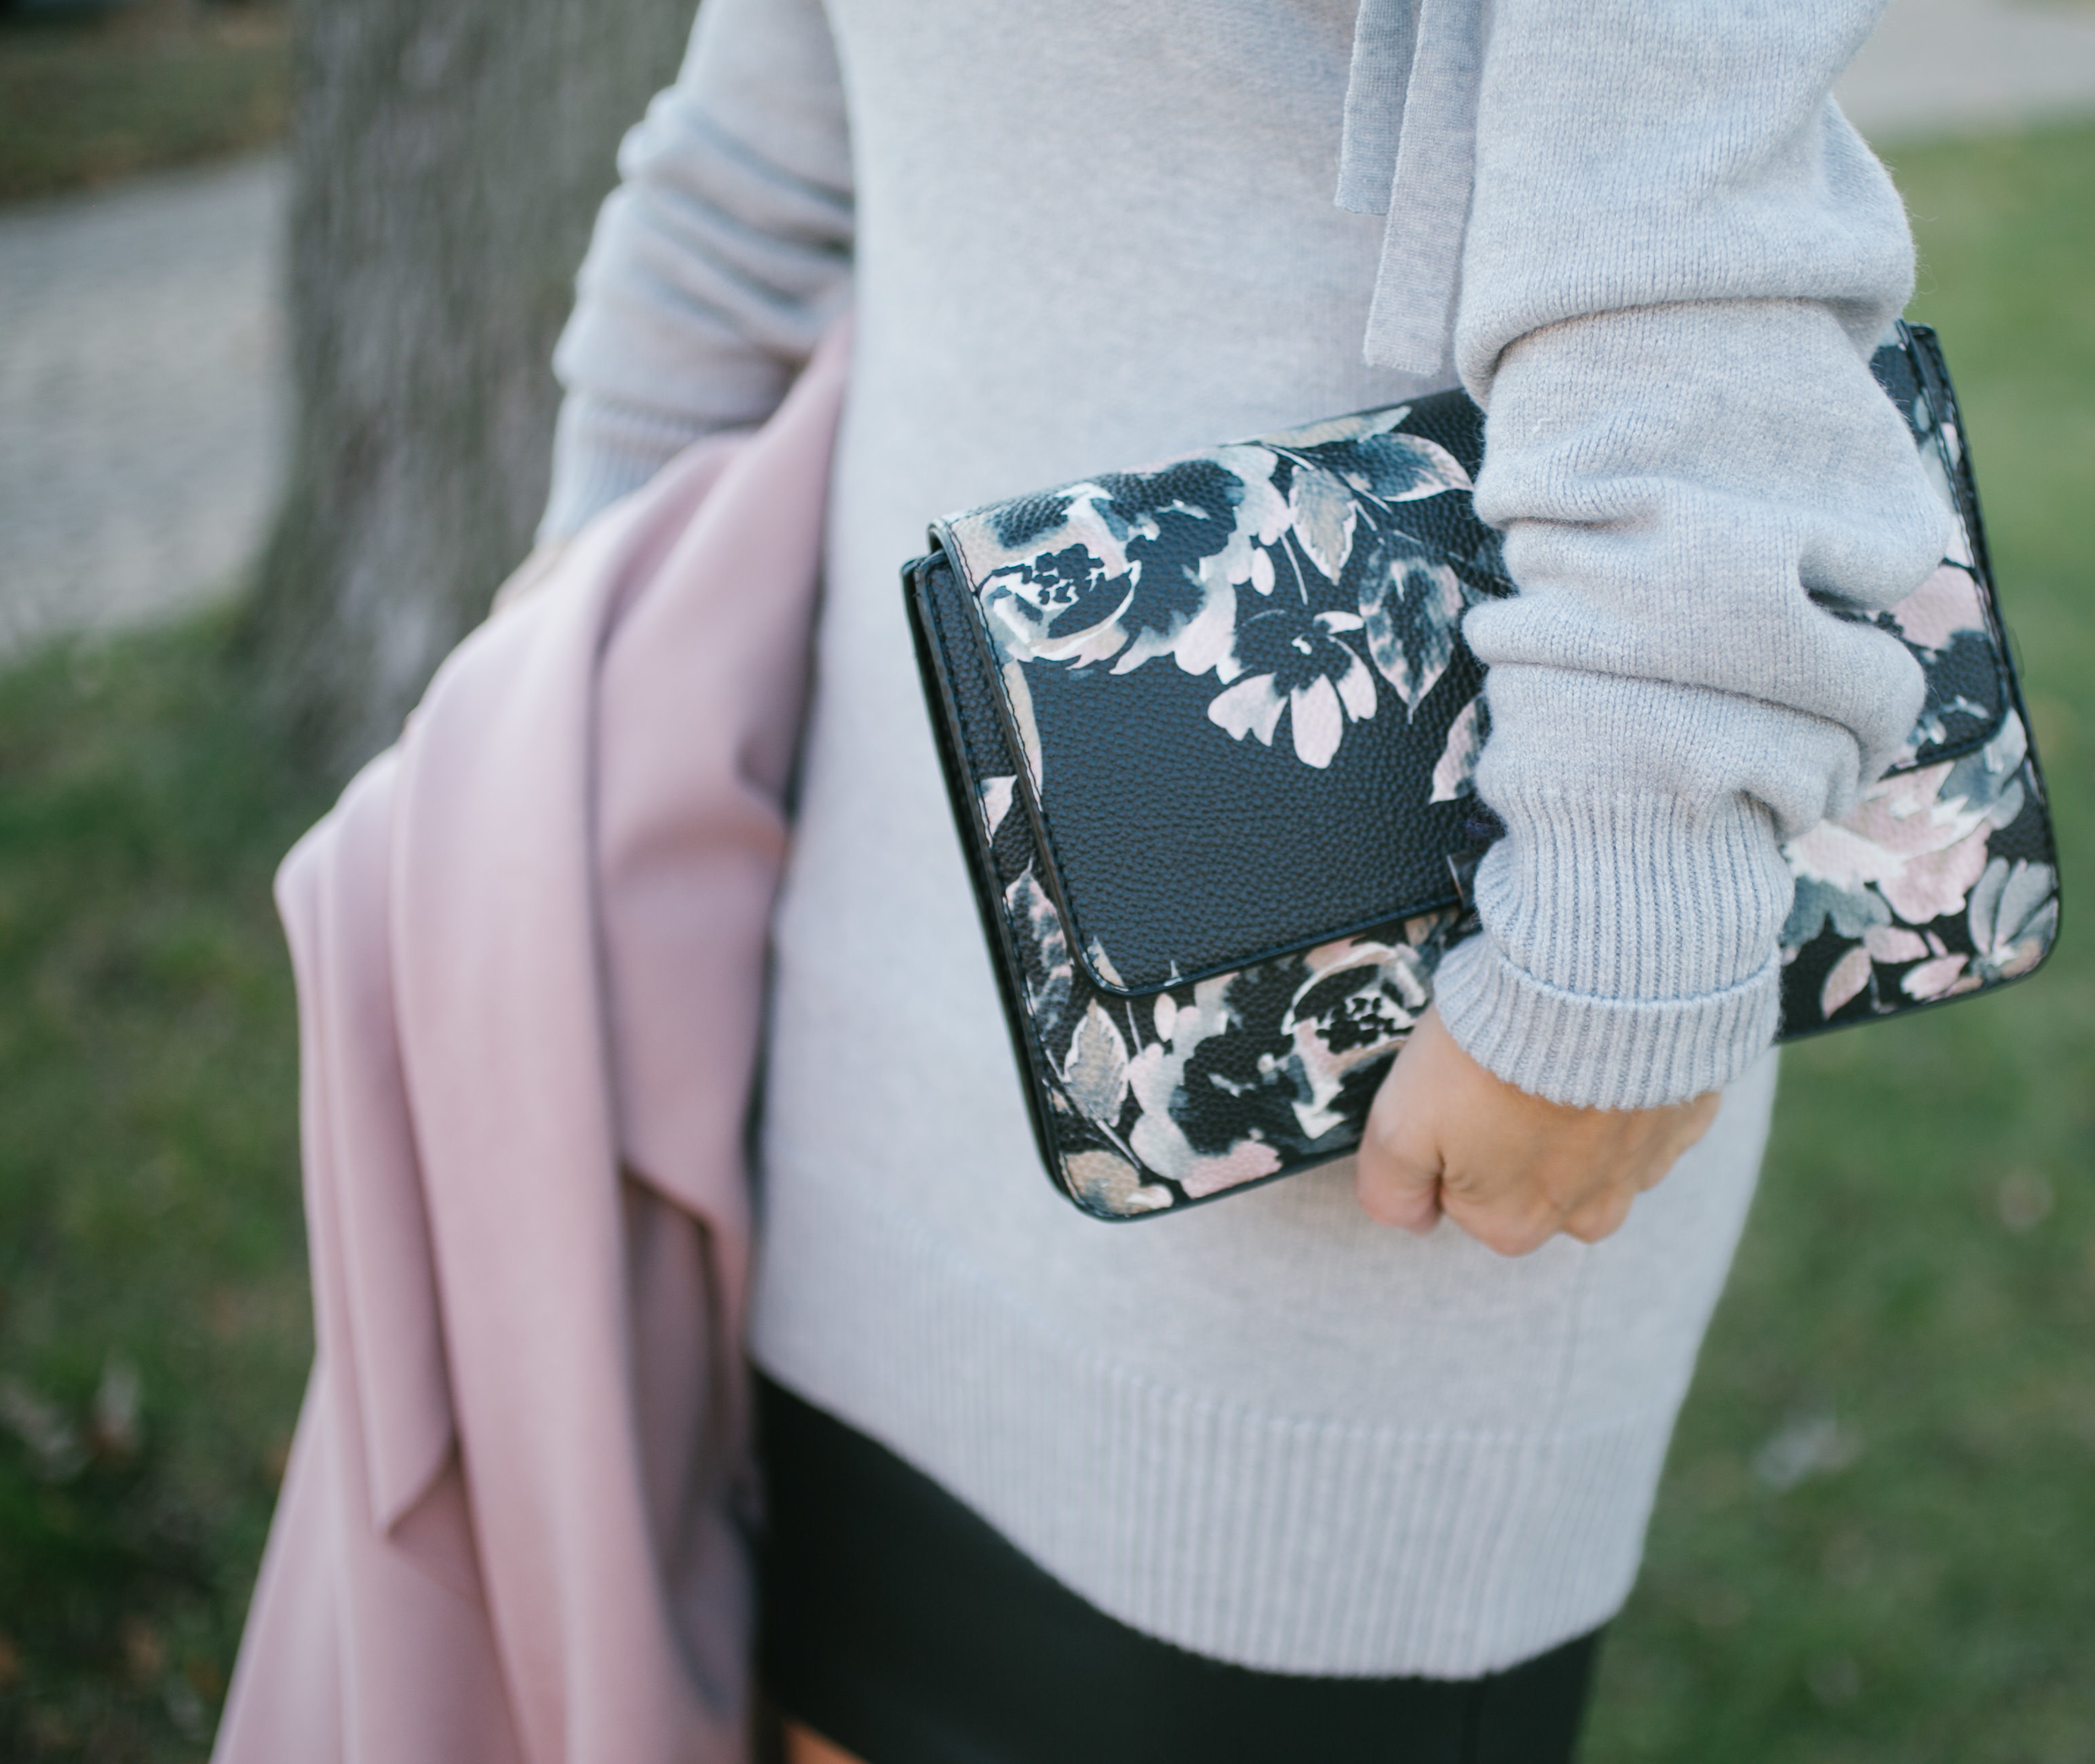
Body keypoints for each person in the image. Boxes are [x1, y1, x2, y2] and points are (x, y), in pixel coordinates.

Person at [539, 1, 1950, 1757]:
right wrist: (569, 661)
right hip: (888, 999)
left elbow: (1696, 253)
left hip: (1386, 1034)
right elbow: (747, 185)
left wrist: (1616, 949)